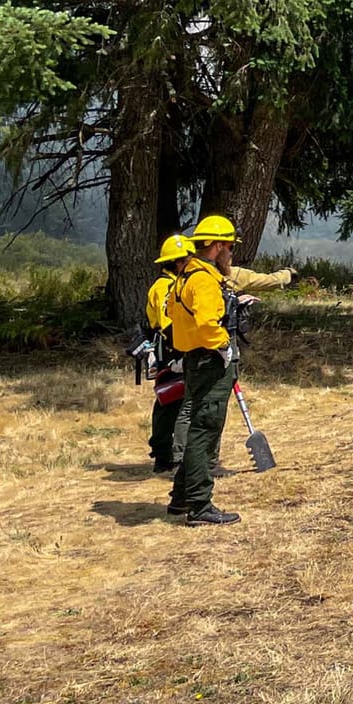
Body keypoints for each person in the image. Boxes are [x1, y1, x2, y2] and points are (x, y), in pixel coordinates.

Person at [167, 214, 243, 525]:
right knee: (205, 430)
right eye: (229, 246)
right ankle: (199, 505)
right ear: (216, 246)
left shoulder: (184, 276)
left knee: (200, 425)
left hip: (194, 359)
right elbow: (207, 323)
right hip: (210, 360)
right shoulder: (204, 280)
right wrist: (224, 346)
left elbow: (173, 314)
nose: (231, 253)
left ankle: (181, 498)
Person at [144, 234, 193, 472]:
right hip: (172, 349)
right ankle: (171, 456)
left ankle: (164, 453)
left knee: (168, 400)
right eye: (188, 258)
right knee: (174, 400)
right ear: (177, 262)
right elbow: (169, 324)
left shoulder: (170, 284)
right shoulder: (165, 287)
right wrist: (184, 352)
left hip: (170, 347)